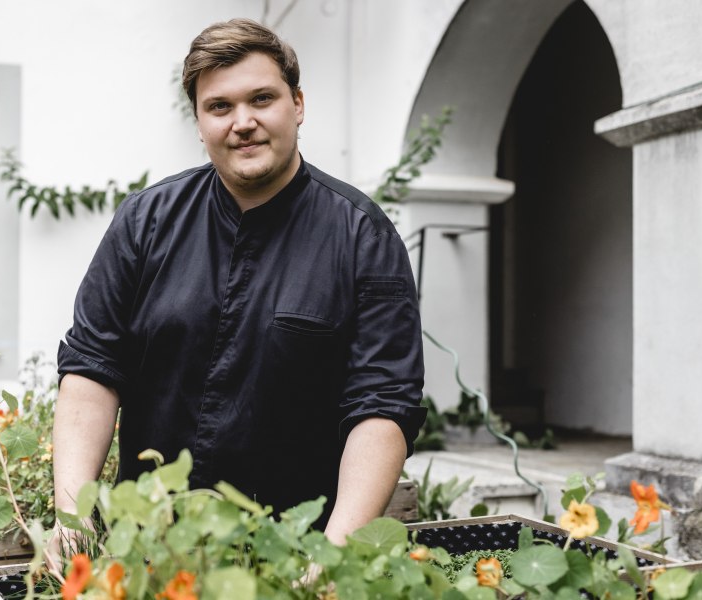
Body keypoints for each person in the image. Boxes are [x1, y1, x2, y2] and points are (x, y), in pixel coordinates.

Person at [51, 17, 426, 562]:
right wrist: (73, 517)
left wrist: (332, 558)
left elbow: (383, 406)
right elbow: (91, 369)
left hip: (294, 554)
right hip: (149, 551)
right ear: (200, 121)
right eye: (220, 106)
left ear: (297, 104)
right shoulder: (144, 222)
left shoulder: (362, 236)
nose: (242, 122)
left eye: (262, 99)